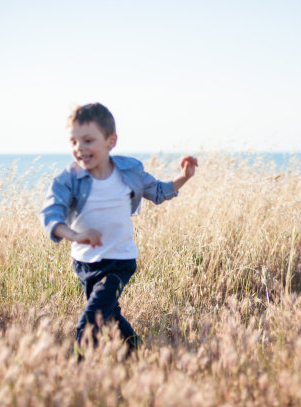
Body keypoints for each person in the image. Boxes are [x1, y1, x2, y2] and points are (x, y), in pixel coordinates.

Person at [40, 102, 197, 356]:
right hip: (84, 263)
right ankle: (137, 354)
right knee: (111, 316)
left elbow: (159, 191)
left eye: (88, 140)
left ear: (110, 141)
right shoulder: (68, 179)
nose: (79, 148)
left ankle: (75, 370)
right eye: (73, 142)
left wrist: (185, 177)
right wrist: (76, 236)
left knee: (91, 319)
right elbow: (51, 216)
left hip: (119, 262)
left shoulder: (129, 171)